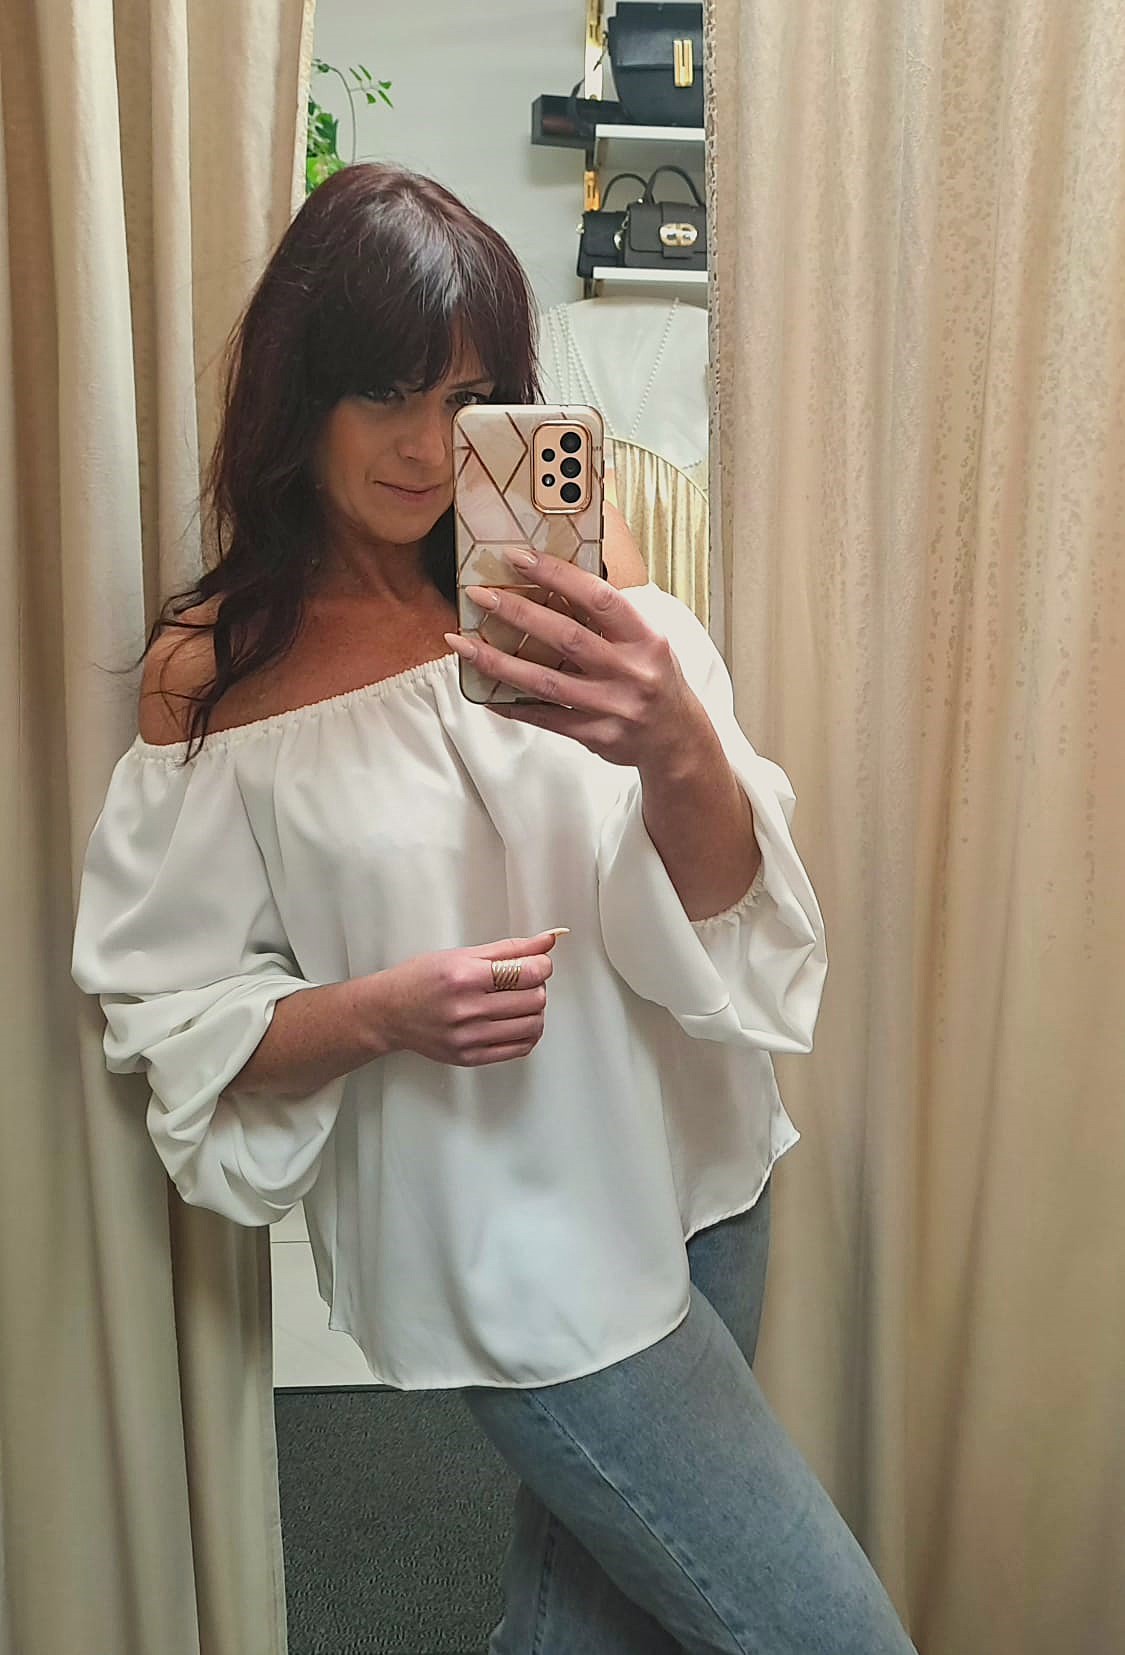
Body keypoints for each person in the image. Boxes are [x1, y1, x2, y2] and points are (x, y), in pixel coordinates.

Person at [71, 164, 915, 1654]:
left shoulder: (570, 580)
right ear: (299, 396)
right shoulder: (222, 669)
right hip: (508, 1237)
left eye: (464, 396)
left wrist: (676, 738)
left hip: (702, 1170)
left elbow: (726, 904)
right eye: (383, 393)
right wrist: (376, 1012)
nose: (423, 446)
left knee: (594, 1626)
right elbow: (167, 1007)